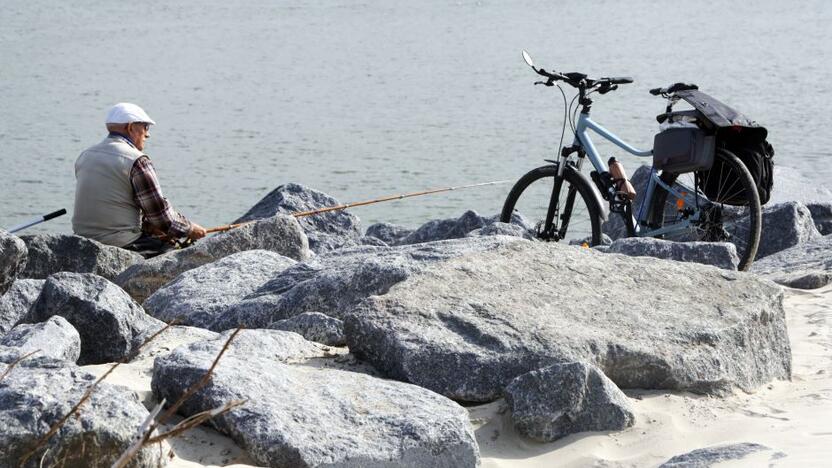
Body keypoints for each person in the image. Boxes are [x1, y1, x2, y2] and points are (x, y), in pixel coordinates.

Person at [72, 103, 207, 257]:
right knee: (177, 256)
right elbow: (161, 217)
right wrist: (190, 229)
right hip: (119, 243)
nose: (147, 135)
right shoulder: (137, 161)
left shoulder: (85, 156)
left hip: (81, 240)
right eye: (145, 128)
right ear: (130, 128)